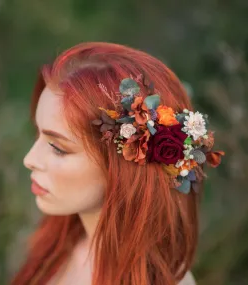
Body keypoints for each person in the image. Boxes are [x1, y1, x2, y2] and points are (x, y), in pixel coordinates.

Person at [11, 42, 224, 285]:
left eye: (58, 148)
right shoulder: (55, 248)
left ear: (125, 165)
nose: (29, 160)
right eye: (38, 134)